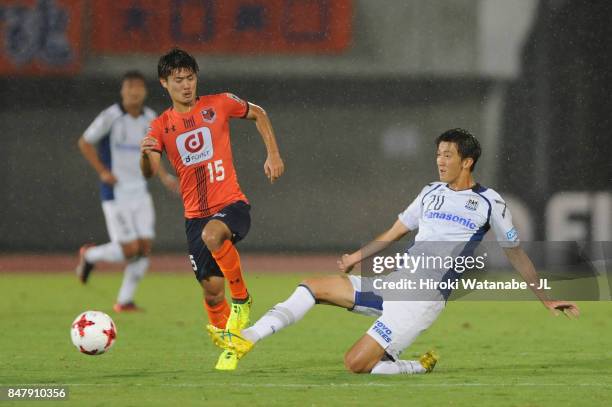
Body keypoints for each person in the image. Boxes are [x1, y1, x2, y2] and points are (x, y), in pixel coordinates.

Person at [207, 128, 580, 374]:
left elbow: (515, 252)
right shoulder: (430, 191)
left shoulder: (488, 202)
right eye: (438, 154)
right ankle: (247, 338)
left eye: (448, 155)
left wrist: (545, 298)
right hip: (397, 283)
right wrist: (357, 256)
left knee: (355, 364)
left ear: (467, 162)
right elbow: (394, 232)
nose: (440, 160)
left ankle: (416, 366)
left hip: (423, 299)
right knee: (312, 285)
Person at [139, 48, 285, 370]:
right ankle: (230, 344)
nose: (186, 86)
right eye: (178, 80)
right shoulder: (160, 127)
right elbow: (148, 171)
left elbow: (258, 113)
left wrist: (272, 154)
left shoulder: (218, 103)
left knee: (214, 234)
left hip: (231, 204)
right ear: (164, 83)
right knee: (212, 292)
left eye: (190, 78)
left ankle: (243, 299)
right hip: (194, 216)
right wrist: (144, 155)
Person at [75, 70, 179, 312]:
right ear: (122, 91)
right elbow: (84, 142)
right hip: (116, 193)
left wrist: (164, 177)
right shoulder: (111, 116)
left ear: (144, 91)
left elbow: (154, 151)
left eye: (138, 87)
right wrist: (103, 171)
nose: (133, 91)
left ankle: (124, 301)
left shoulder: (150, 118)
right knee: (129, 249)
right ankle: (90, 256)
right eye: (129, 86)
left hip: (140, 192)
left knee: (144, 247)